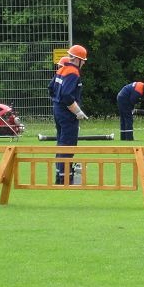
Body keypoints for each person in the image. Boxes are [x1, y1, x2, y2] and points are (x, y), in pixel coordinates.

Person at [50, 44, 88, 184]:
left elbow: (51, 88)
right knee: (68, 144)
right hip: (67, 113)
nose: (83, 63)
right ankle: (65, 179)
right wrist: (77, 111)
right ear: (77, 59)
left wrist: (57, 103)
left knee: (61, 143)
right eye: (83, 60)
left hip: (57, 109)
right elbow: (67, 95)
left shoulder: (62, 69)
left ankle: (59, 176)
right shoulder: (73, 72)